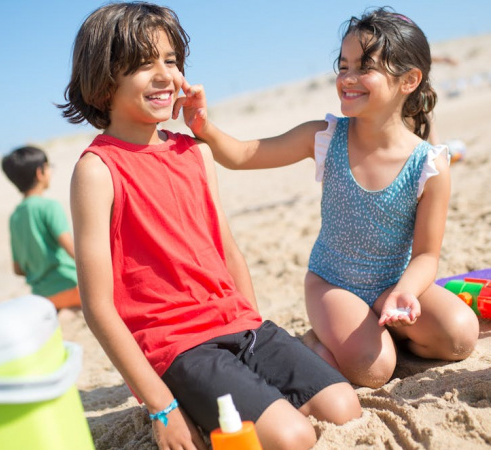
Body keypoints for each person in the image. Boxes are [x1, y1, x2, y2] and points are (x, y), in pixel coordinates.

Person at [60, 3, 361, 450]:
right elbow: (98, 306)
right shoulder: (98, 170)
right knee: (292, 437)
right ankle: (190, 399)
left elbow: (227, 250)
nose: (164, 75)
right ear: (104, 82)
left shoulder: (196, 152)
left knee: (344, 407)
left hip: (239, 324)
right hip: (177, 346)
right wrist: (161, 406)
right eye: (144, 64)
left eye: (170, 60)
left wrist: (254, 328)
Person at [176, 7, 479, 389]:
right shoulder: (325, 136)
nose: (348, 78)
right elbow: (241, 155)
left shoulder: (429, 164)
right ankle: (316, 343)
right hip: (332, 285)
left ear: (409, 80)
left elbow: (426, 256)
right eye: (343, 66)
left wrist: (403, 292)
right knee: (375, 369)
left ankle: (379, 329)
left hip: (393, 284)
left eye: (364, 67)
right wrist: (203, 123)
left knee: (461, 335)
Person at [1, 145, 81, 311]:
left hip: (41, 297)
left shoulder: (14, 217)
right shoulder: (49, 207)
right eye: (48, 167)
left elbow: (18, 269)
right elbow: (73, 251)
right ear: (40, 173)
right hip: (69, 287)